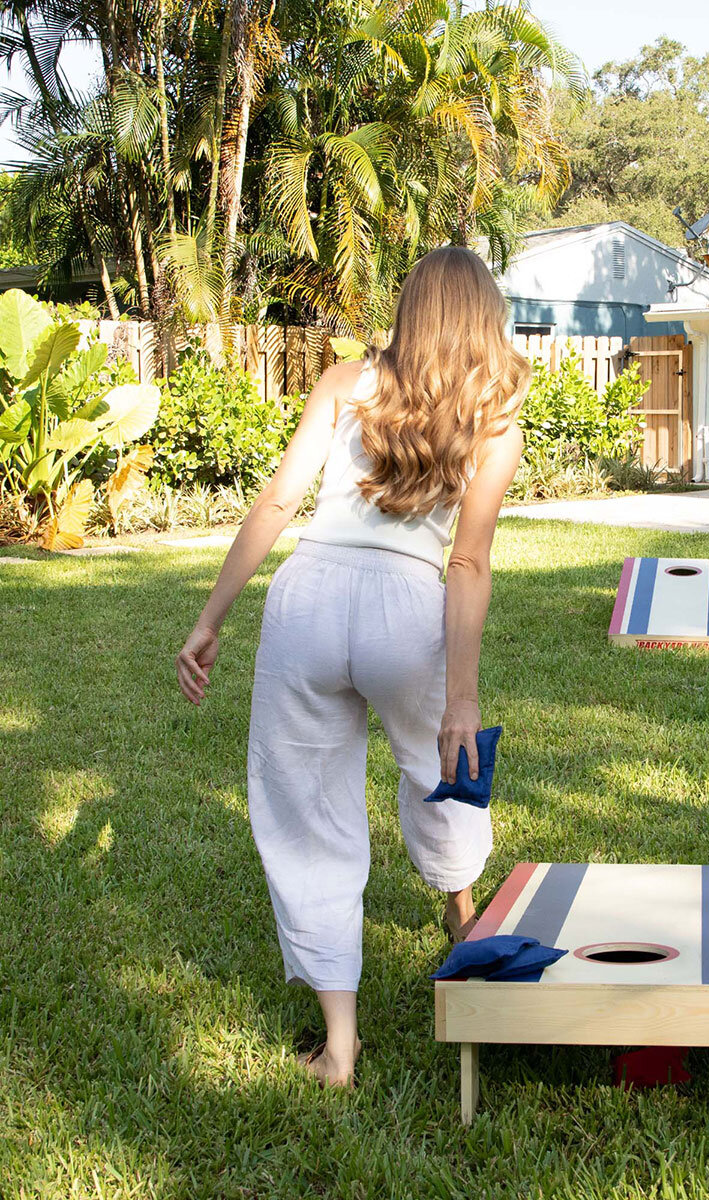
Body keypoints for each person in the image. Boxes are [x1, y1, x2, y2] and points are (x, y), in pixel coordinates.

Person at [174, 247, 529, 1087]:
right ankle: (460, 911)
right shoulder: (495, 422)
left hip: (307, 599)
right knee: (441, 772)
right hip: (407, 610)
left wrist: (209, 619)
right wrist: (462, 701)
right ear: (484, 319)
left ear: (409, 309)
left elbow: (278, 501)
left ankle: (339, 1047)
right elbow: (468, 564)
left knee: (307, 812)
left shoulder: (343, 381)